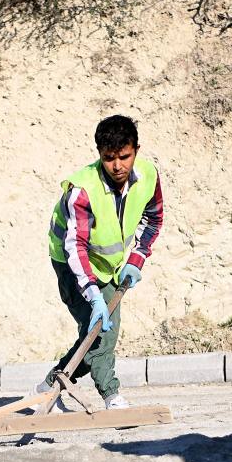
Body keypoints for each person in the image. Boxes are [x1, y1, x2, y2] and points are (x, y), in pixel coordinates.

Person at [39, 115, 164, 411]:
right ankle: (111, 395)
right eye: (109, 158)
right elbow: (76, 246)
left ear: (136, 150)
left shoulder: (147, 175)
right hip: (73, 263)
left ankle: (49, 387)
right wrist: (93, 294)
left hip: (111, 263)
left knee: (100, 332)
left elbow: (154, 218)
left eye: (125, 156)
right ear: (99, 154)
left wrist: (136, 258)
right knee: (101, 332)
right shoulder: (82, 190)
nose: (118, 166)